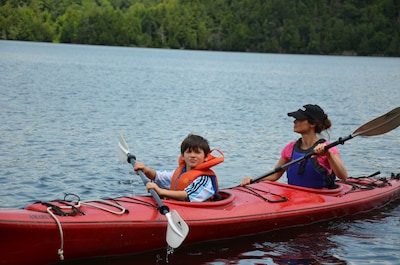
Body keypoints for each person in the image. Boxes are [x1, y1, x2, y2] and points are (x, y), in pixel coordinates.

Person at [240, 104, 348, 189]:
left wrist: (329, 155)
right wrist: (253, 180)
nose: (294, 121)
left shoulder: (327, 148)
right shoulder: (290, 148)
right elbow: (275, 175)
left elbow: (343, 176)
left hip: (320, 197)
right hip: (294, 196)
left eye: (300, 119)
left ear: (312, 123)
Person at [133, 134, 224, 202]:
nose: (192, 156)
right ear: (182, 156)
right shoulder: (180, 172)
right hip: (178, 207)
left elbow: (186, 195)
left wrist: (160, 191)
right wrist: (145, 170)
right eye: (189, 152)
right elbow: (157, 176)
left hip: (198, 212)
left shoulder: (204, 179)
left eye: (197, 152)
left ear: (206, 157)